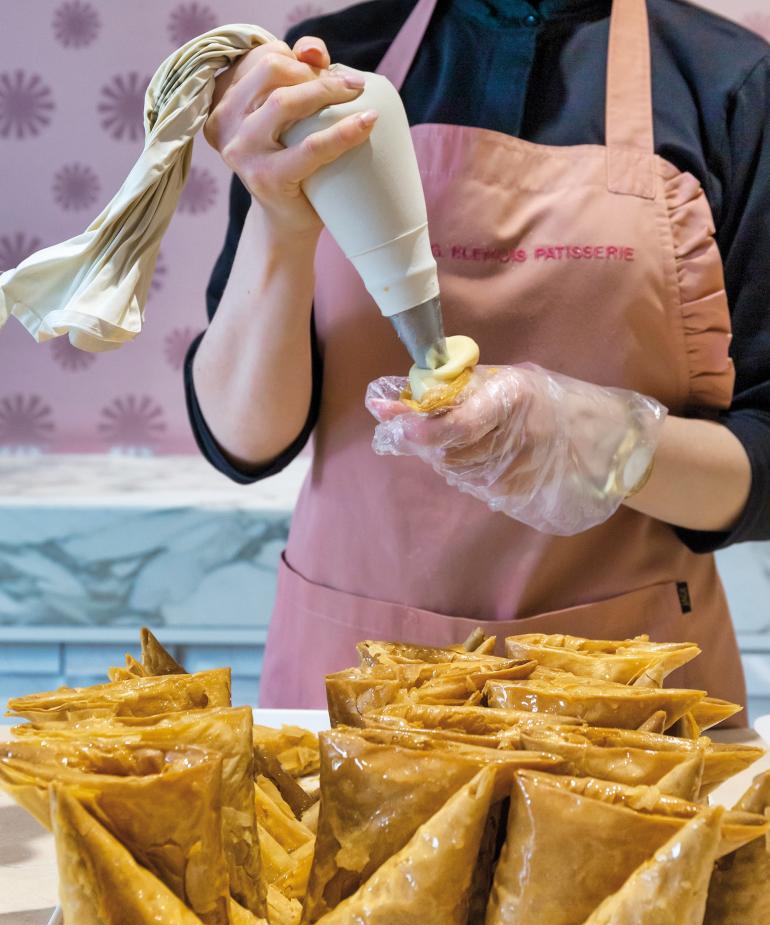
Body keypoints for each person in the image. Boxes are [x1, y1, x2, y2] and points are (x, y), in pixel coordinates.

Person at [185, 0, 770, 712]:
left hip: (623, 698)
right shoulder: (325, 75)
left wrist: (603, 442)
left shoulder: (729, 84)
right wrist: (278, 214)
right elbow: (242, 440)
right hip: (353, 684)